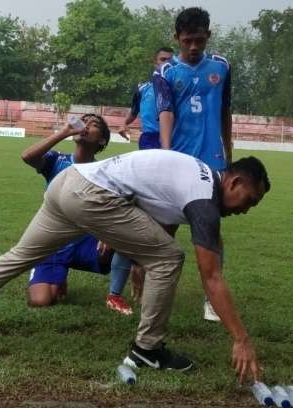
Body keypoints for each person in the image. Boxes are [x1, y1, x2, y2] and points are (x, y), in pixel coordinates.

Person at [0, 150, 269, 384]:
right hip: (93, 197)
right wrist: (241, 339)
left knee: (19, 256)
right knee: (170, 258)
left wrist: (138, 255)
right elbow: (211, 276)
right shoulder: (205, 200)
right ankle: (147, 350)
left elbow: (158, 207)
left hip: (68, 183)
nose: (246, 210)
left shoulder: (198, 175)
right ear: (234, 183)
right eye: (250, 200)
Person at [153, 6, 233, 321]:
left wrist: (229, 154)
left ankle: (211, 300)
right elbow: (166, 113)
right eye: (188, 40)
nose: (194, 46)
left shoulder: (222, 66)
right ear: (177, 38)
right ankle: (157, 290)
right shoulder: (165, 72)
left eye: (200, 40)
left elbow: (226, 111)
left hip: (213, 160)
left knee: (211, 228)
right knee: (165, 227)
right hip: (179, 160)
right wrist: (166, 154)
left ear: (208, 36)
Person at [20, 113, 115, 307]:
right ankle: (57, 276)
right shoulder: (57, 160)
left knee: (125, 245)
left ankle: (122, 293)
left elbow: (116, 207)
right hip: (53, 242)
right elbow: (28, 156)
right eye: (84, 121)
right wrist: (64, 132)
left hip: (86, 241)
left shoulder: (105, 171)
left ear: (102, 139)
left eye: (93, 124)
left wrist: (110, 236)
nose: (86, 125)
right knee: (41, 300)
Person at [108, 47, 175, 314]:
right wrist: (125, 124)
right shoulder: (145, 87)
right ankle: (138, 264)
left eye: (170, 61)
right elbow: (134, 110)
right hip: (150, 139)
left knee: (164, 204)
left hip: (173, 141)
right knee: (145, 199)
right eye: (162, 60)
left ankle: (147, 263)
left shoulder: (176, 87)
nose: (166, 65)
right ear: (154, 61)